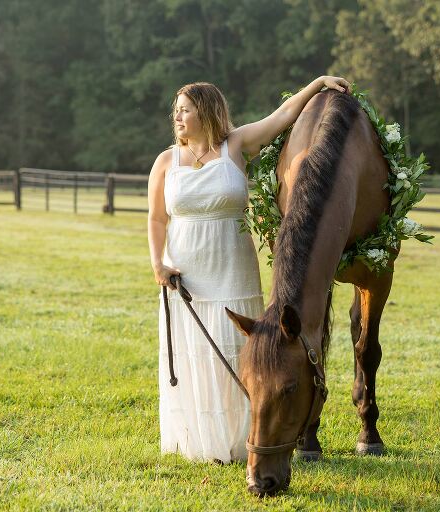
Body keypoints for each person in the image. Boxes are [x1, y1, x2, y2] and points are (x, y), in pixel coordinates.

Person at [147, 75, 351, 463]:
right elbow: (156, 219)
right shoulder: (165, 161)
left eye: (184, 110)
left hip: (232, 269)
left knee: (238, 351)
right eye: (175, 111)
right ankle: (199, 441)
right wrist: (159, 262)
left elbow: (284, 115)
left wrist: (318, 83)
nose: (177, 117)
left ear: (205, 111)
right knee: (194, 353)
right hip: (186, 272)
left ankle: (247, 439)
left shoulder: (235, 146)